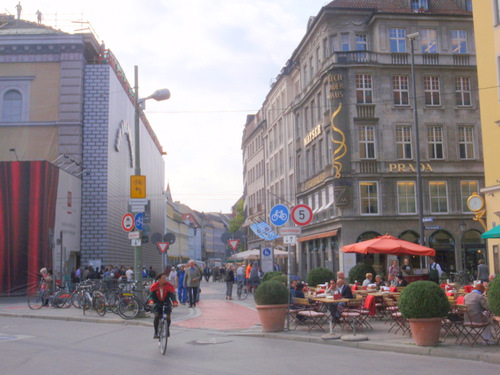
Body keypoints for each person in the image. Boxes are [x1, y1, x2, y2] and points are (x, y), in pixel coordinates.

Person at [149, 273, 178, 339]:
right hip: (157, 303)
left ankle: (167, 329)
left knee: (168, 317)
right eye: (163, 278)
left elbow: (172, 295)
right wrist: (151, 301)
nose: (165, 279)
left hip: (166, 303)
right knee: (156, 316)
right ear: (159, 280)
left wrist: (174, 302)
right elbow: (151, 296)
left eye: (165, 278)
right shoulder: (154, 287)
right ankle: (156, 332)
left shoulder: (168, 286)